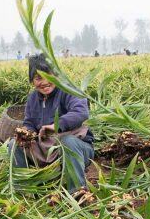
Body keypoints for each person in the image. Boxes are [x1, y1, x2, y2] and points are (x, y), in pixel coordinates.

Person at [8, 54, 94, 191]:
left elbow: (81, 112)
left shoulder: (68, 90)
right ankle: (23, 191)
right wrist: (25, 132)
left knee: (68, 141)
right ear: (32, 81)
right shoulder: (32, 99)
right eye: (38, 78)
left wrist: (56, 126)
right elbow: (29, 122)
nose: (45, 82)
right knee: (14, 145)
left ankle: (77, 193)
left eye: (49, 76)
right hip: (46, 149)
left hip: (76, 148)